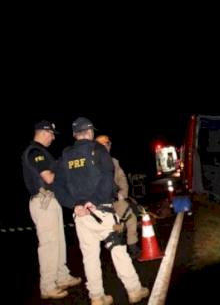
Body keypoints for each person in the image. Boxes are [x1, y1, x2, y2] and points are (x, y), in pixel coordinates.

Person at [54, 117, 149, 305]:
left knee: (89, 257)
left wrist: (75, 205)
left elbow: (58, 186)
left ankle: (97, 297)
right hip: (102, 213)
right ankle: (134, 290)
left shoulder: (66, 155)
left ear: (75, 134)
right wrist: (94, 202)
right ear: (89, 132)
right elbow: (107, 180)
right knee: (118, 251)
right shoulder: (98, 150)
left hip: (81, 216)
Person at [21, 120, 81, 300]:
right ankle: (47, 285)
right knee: (48, 244)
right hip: (43, 201)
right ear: (44, 132)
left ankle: (61, 276)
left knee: (58, 241)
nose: (53, 138)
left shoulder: (41, 152)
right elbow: (48, 177)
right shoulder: (35, 151)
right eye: (52, 134)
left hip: (49, 200)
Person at [95, 134, 141, 259]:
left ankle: (132, 246)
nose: (107, 147)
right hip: (100, 203)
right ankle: (116, 252)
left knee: (130, 216)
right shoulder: (92, 164)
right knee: (113, 227)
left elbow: (122, 178)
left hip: (116, 199)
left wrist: (122, 193)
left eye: (108, 145)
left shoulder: (114, 162)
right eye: (104, 145)